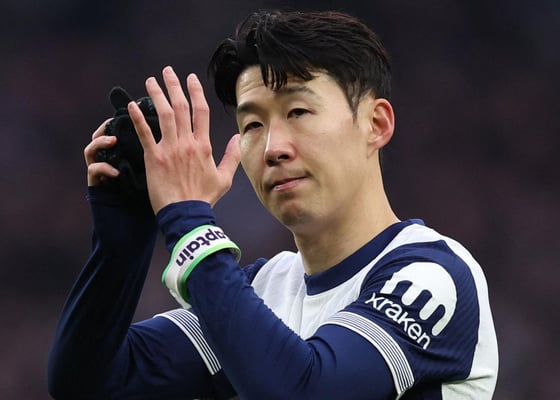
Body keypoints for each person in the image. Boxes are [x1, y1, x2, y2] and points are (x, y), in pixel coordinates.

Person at [48, 9, 499, 400]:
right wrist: (123, 237)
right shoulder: (264, 290)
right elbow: (88, 381)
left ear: (375, 124)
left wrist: (189, 221)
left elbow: (303, 391)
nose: (272, 148)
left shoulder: (432, 275)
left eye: (298, 112)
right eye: (252, 125)